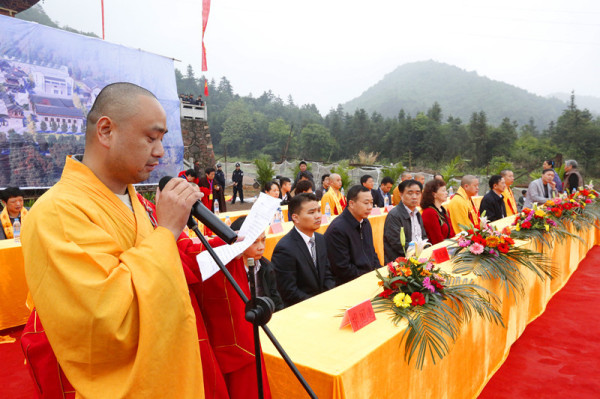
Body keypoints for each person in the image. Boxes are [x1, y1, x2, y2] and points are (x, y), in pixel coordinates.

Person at [20, 83, 205, 398]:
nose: (160, 151)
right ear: (105, 131)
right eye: (151, 137)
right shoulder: (57, 212)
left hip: (172, 374)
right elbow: (107, 323)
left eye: (162, 139)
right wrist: (166, 234)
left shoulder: (135, 202)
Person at [271, 193, 336, 307]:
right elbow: (289, 291)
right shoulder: (285, 248)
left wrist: (327, 297)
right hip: (301, 307)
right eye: (311, 212)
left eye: (319, 210)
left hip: (324, 302)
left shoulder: (320, 239)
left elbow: (327, 274)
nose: (318, 216)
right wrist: (316, 303)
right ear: (295, 217)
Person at [324, 185, 381, 285]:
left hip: (368, 277)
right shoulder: (338, 229)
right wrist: (369, 278)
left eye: (371, 203)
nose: (370, 207)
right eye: (366, 203)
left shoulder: (365, 223)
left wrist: (380, 274)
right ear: (351, 203)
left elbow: (372, 253)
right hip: (350, 283)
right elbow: (343, 268)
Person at [230, 217, 284, 311]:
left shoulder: (266, 266)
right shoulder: (230, 271)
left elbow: (276, 301)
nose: (261, 247)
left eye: (263, 240)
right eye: (254, 242)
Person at [383, 180, 427, 262]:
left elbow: (423, 236)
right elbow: (397, 244)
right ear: (401, 194)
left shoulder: (417, 213)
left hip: (418, 257)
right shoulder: (394, 215)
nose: (414, 197)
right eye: (410, 193)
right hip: (402, 262)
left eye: (418, 193)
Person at [421, 179, 455, 245]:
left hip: (448, 245)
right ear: (434, 194)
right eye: (443, 190)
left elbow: (451, 232)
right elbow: (437, 240)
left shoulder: (442, 209)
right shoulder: (429, 213)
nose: (446, 193)